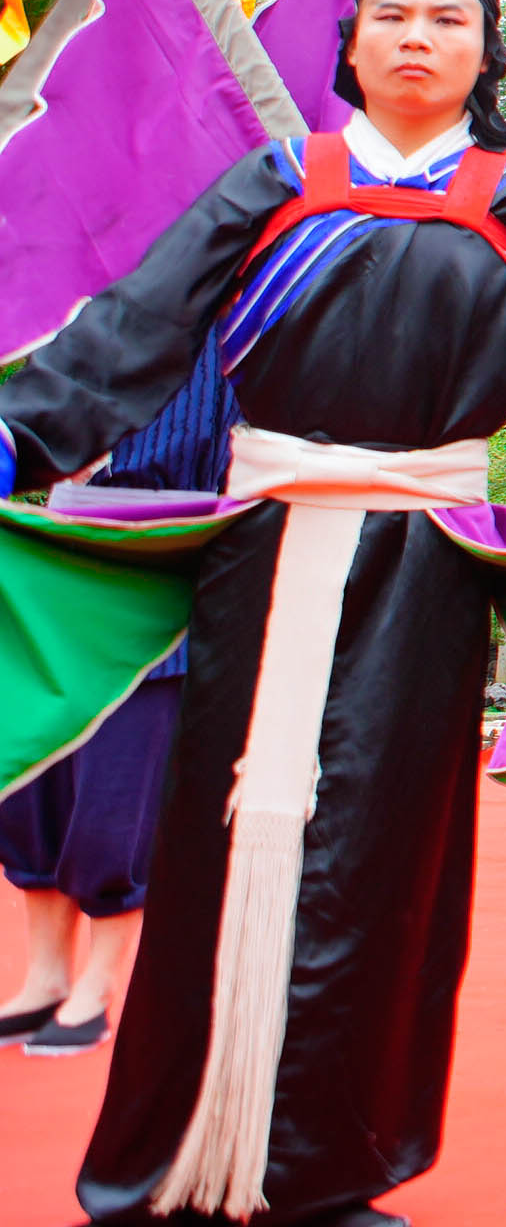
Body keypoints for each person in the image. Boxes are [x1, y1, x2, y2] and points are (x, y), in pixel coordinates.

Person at [0, 0, 506, 1224]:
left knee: (383, 860)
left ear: (486, 53)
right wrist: (24, 434)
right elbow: (135, 325)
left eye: (448, 18)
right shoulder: (273, 180)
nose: (418, 35)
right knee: (216, 843)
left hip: (425, 567)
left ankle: (330, 1169)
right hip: (258, 554)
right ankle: (166, 1165)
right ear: (352, 45)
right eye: (392, 15)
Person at [0, 325, 230, 1062]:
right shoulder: (92, 318)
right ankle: (44, 977)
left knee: (116, 797)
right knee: (32, 792)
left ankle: (97, 985)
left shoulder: (244, 323)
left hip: (164, 560)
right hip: (66, 559)